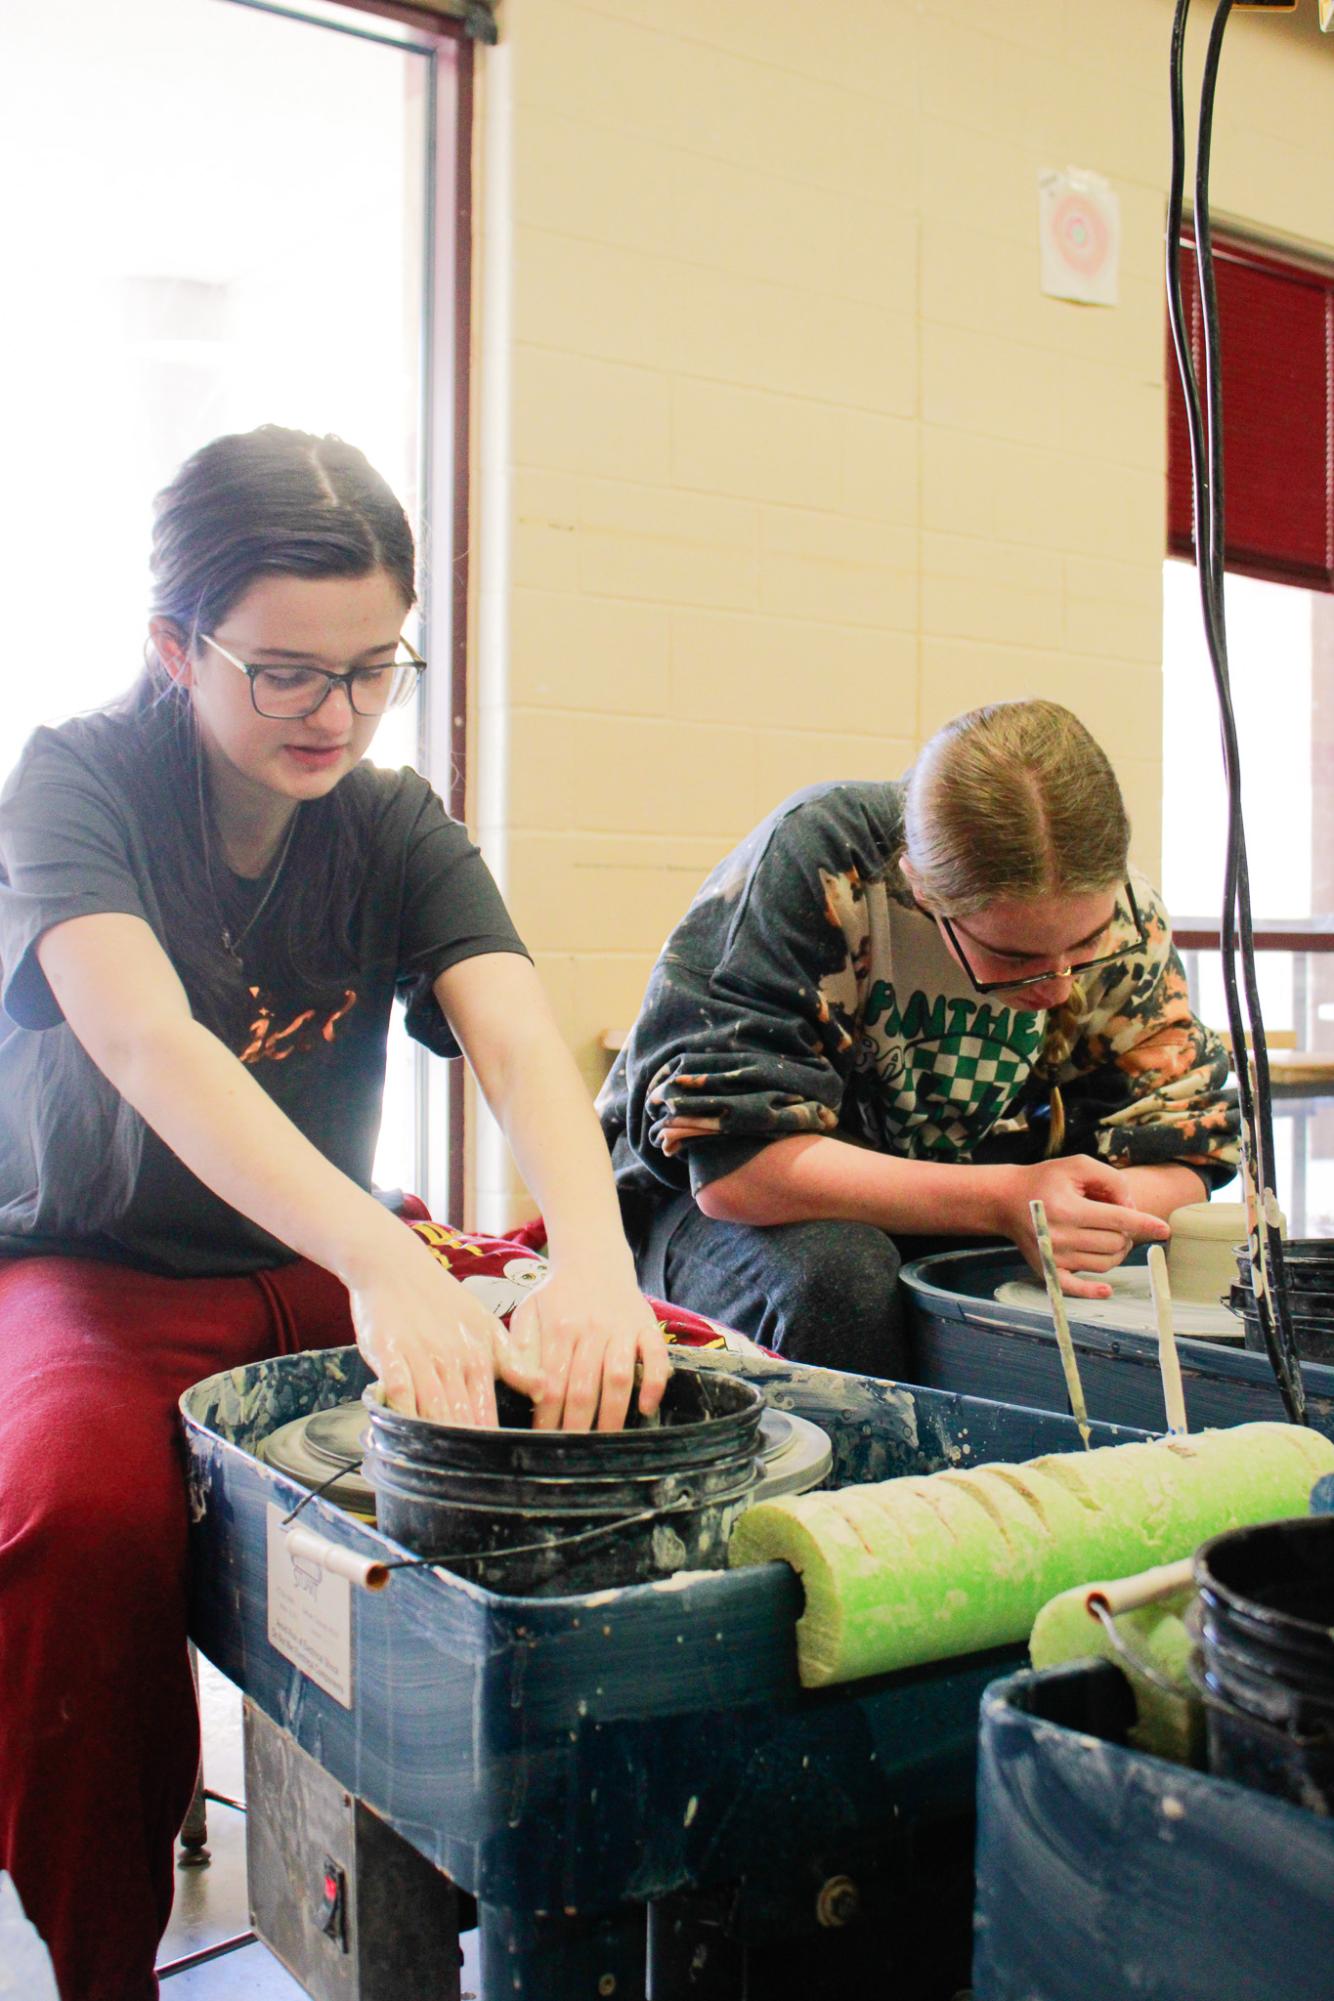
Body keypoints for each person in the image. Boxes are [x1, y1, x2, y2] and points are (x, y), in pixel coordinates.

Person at [0, 425, 669, 2000]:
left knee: (641, 1387)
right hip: (96, 1267)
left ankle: (543, 1896)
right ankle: (105, 1966)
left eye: (376, 669)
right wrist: (378, 1254)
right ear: (177, 645)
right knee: (73, 1524)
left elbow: (512, 1029)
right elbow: (153, 1045)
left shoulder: (389, 814)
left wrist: (596, 1265)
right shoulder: (72, 780)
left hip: (319, 1258)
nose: (339, 714)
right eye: (288, 672)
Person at [600, 699, 1239, 1376]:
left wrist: (1099, 1212)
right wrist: (1007, 1198)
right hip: (723, 1218)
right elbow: (735, 1172)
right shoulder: (823, 862)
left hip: (977, 1204)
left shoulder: (1126, 918)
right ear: (922, 890)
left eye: (1083, 946)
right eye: (1014, 957)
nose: (1056, 985)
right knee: (841, 1278)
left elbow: (1189, 1148)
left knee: (1113, 1281)